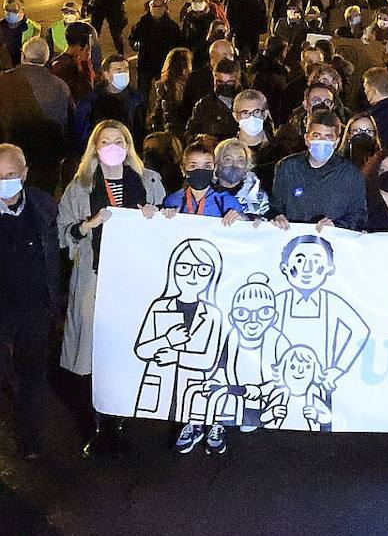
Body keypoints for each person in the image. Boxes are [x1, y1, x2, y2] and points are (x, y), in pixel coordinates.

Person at [57, 120, 165, 456]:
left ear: (128, 145)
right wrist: (88, 224)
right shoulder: (80, 186)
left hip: (134, 280)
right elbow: (63, 234)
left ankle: (121, 419)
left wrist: (154, 215)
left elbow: (167, 229)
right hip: (95, 277)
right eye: (106, 141)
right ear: (95, 146)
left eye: (119, 140)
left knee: (126, 348)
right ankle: (101, 424)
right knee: (95, 349)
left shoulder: (148, 181)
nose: (113, 146)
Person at [0, 143, 61, 459]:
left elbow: (58, 251)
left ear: (24, 174)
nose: (4, 182)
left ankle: (30, 440)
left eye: (10, 174)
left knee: (33, 376)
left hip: (35, 307)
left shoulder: (44, 205)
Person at [268, 112, 368, 232]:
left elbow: (359, 214)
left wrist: (336, 225)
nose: (322, 141)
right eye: (317, 135)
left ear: (336, 142)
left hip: (334, 242)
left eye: (328, 137)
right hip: (294, 241)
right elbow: (274, 207)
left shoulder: (351, 173)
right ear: (307, 139)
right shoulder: (287, 168)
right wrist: (276, 216)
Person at [0, 38, 73, 193]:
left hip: (7, 166)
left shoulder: (4, 81)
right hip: (46, 168)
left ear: (23, 55)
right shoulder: (60, 86)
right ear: (47, 59)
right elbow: (70, 126)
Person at [160, 144, 245, 220]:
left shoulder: (225, 200)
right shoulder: (172, 201)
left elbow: (245, 227)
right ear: (183, 170)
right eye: (193, 166)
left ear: (214, 168)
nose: (200, 171)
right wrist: (156, 213)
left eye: (207, 166)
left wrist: (242, 219)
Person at [129, 0, 185, 97]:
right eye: (154, 6)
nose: (157, 9)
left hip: (163, 64)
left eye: (159, 6)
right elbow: (133, 39)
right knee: (143, 92)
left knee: (164, 92)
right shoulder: (142, 24)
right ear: (150, 8)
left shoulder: (172, 27)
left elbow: (179, 44)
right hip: (145, 63)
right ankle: (142, 111)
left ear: (164, 8)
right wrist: (135, 44)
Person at [212, 138, 271, 219]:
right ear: (217, 163)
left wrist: (248, 219)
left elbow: (268, 223)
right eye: (228, 159)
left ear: (247, 165)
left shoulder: (258, 194)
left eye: (240, 160)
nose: (234, 165)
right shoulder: (206, 191)